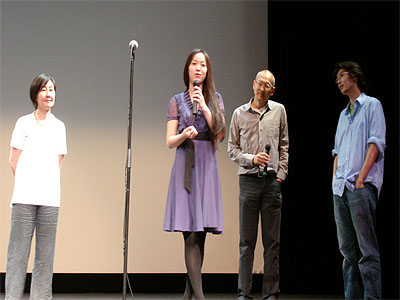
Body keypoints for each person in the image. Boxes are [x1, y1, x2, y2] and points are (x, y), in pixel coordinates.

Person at [163, 49, 226, 300]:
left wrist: (205, 108)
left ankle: (188, 296)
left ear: (207, 71)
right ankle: (200, 298)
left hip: (207, 165)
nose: (198, 68)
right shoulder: (176, 101)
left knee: (200, 235)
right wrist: (183, 135)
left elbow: (220, 134)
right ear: (187, 69)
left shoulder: (214, 98)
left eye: (203, 65)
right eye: (194, 64)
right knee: (189, 233)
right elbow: (169, 141)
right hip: (186, 164)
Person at [5, 74, 67, 300]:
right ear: (35, 95)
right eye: (44, 89)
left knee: (45, 256)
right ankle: (12, 297)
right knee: (18, 255)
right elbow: (14, 160)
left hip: (50, 199)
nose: (49, 94)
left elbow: (58, 161)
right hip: (24, 197)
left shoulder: (60, 126)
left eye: (52, 89)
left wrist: (44, 183)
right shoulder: (23, 123)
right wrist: (28, 182)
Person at [228, 70, 289, 300]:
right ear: (253, 85)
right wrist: (251, 159)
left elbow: (284, 145)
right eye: (260, 83)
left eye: (268, 85)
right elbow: (231, 149)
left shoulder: (279, 111)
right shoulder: (239, 114)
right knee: (246, 242)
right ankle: (244, 292)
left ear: (272, 90)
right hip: (248, 181)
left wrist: (281, 174)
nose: (262, 88)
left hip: (272, 182)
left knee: (272, 242)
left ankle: (270, 292)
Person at [332, 61, 386, 300]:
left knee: (367, 251)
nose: (339, 81)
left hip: (359, 187)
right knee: (347, 253)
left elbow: (375, 144)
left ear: (354, 76)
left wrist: (361, 180)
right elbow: (336, 151)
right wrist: (334, 181)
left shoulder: (372, 105)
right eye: (337, 79)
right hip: (341, 189)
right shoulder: (344, 115)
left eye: (342, 76)